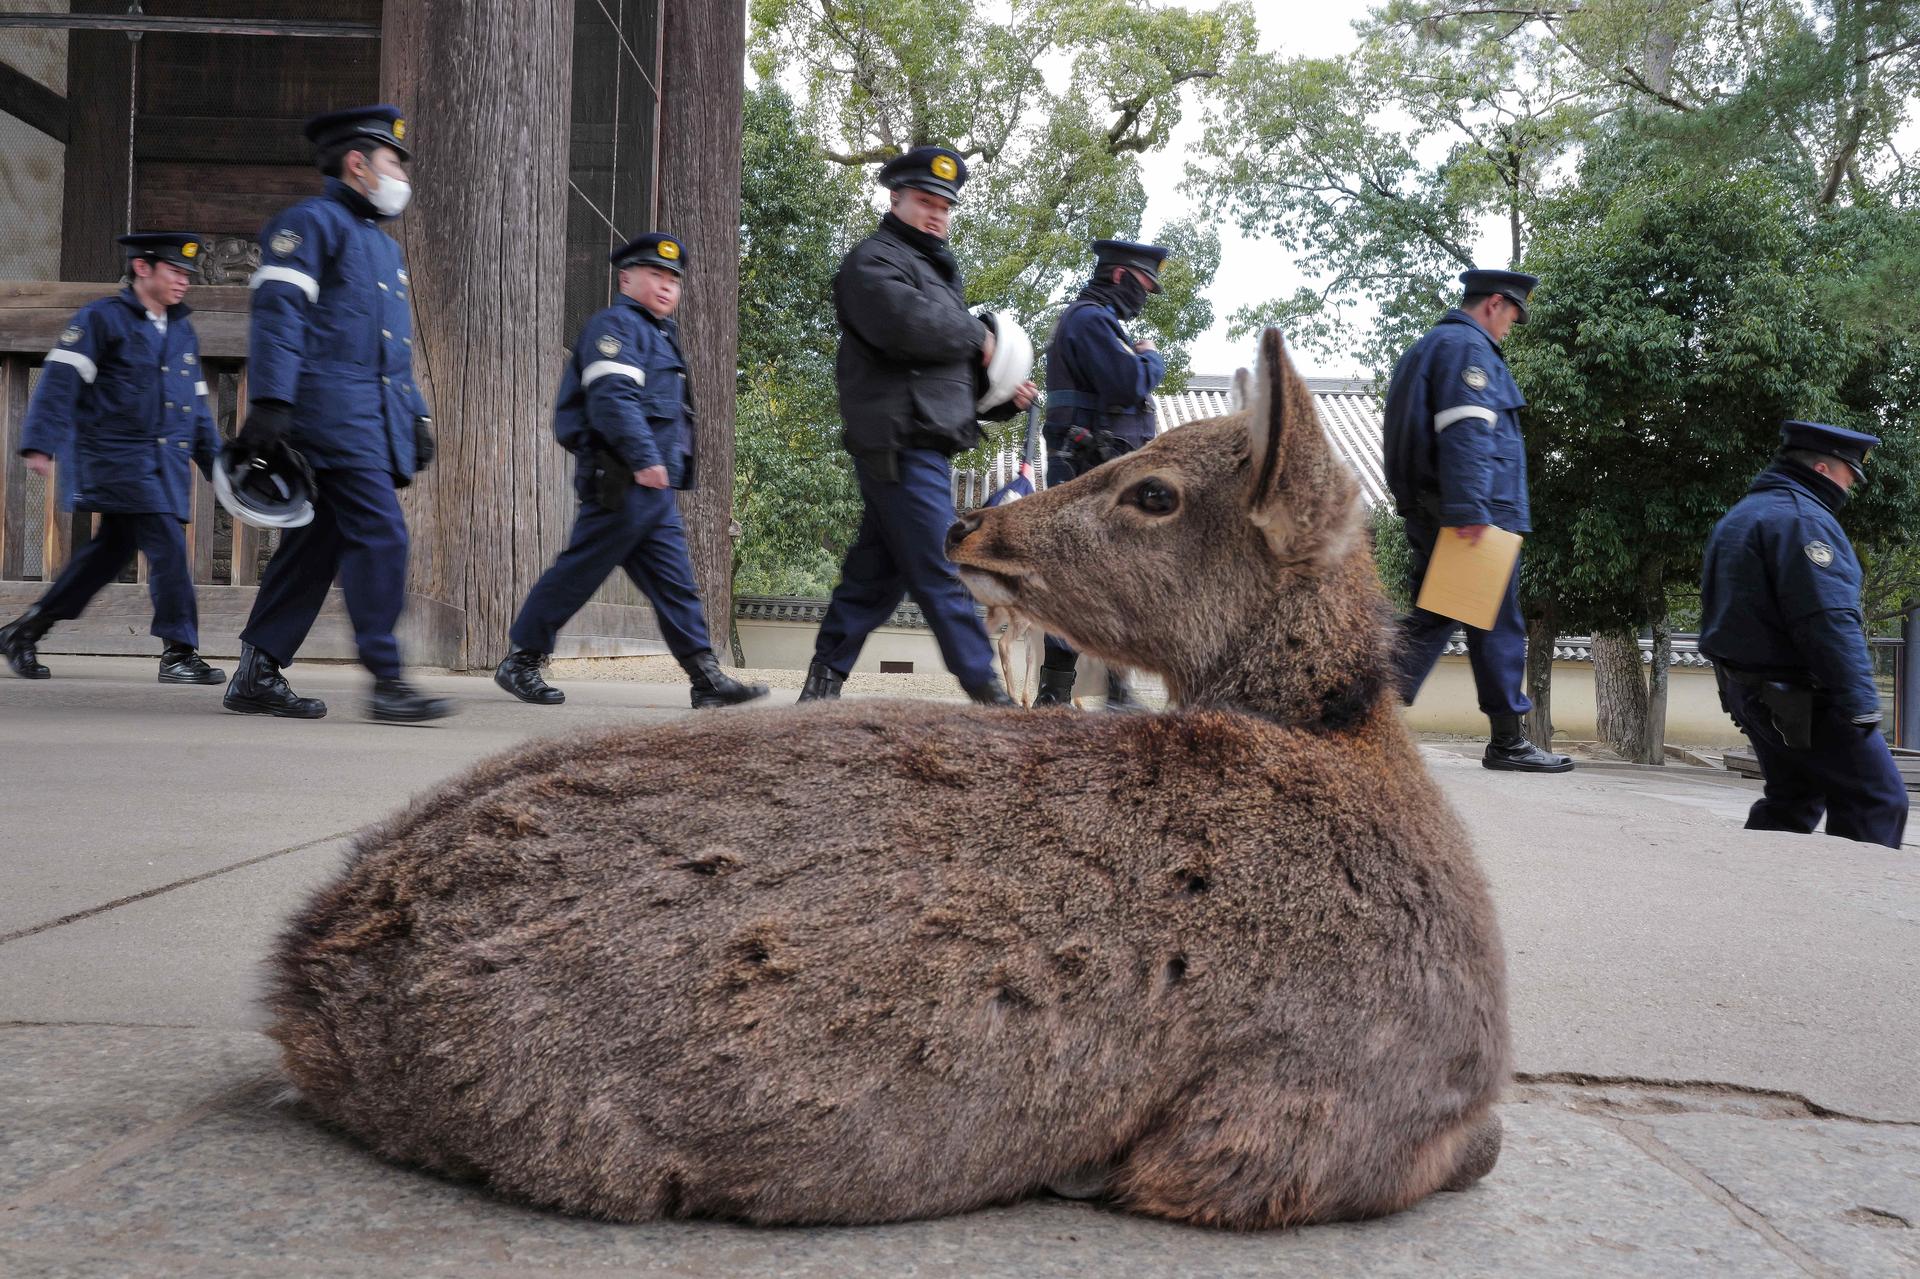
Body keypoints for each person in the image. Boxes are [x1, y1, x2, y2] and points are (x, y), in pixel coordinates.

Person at [223, 104, 448, 723]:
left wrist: (416, 418)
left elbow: (389, 354)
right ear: (357, 164)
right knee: (381, 535)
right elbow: (279, 317)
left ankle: (257, 671)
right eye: (392, 159)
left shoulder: (380, 247)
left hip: (369, 417)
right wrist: (270, 404)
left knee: (316, 543)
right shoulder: (308, 224)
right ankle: (388, 681)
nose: (401, 171)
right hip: (329, 416)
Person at [798, 145, 1036, 705]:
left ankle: (822, 683)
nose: (937, 214)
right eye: (926, 201)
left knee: (873, 578)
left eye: (945, 206)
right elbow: (907, 326)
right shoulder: (872, 264)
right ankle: (988, 693)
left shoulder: (935, 277)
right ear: (895, 198)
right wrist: (980, 337)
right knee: (940, 564)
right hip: (898, 442)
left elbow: (948, 375)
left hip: (921, 441)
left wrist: (1003, 394)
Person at [494, 233, 767, 711]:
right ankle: (522, 659)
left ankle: (705, 676)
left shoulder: (661, 334)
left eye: (672, 279)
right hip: (621, 478)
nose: (665, 286)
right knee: (580, 571)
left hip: (651, 489)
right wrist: (644, 458)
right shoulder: (616, 326)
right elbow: (612, 399)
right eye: (654, 275)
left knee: (675, 581)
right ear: (626, 278)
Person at [0, 233, 224, 685]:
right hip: (117, 460)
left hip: (162, 467)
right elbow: (61, 378)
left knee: (106, 555)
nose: (184, 282)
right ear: (143, 268)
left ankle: (24, 631)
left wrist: (218, 463)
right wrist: (40, 442)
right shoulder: (103, 319)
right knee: (167, 545)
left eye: (187, 275)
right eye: (175, 272)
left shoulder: (181, 329)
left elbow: (194, 407)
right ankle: (178, 652)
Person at [1382, 268, 1571, 773]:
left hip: (1444, 508)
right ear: (1493, 304)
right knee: (1494, 621)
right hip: (1470, 512)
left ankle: (1355, 708)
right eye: (1512, 314)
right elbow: (1467, 432)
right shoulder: (1467, 351)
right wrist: (1470, 510)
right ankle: (1507, 741)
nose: (1512, 325)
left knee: (1435, 616)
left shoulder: (1433, 346)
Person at [1700, 422, 1907, 848]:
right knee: (1876, 801)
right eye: (1851, 475)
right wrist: (1862, 703)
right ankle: (1849, 905)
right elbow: (1827, 618)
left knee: (1793, 798)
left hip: (1751, 691)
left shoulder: (1744, 514)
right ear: (1824, 469)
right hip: (1803, 698)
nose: (1851, 486)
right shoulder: (1803, 520)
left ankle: (1754, 893)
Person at [1033, 238, 1171, 709]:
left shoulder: (1098, 323)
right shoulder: (1090, 320)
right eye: (1143, 286)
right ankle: (1057, 694)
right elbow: (1126, 381)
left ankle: (1112, 689)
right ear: (1119, 276)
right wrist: (1151, 358)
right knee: (1078, 581)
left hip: (1101, 474)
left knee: (1113, 580)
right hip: (1086, 471)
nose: (1143, 297)